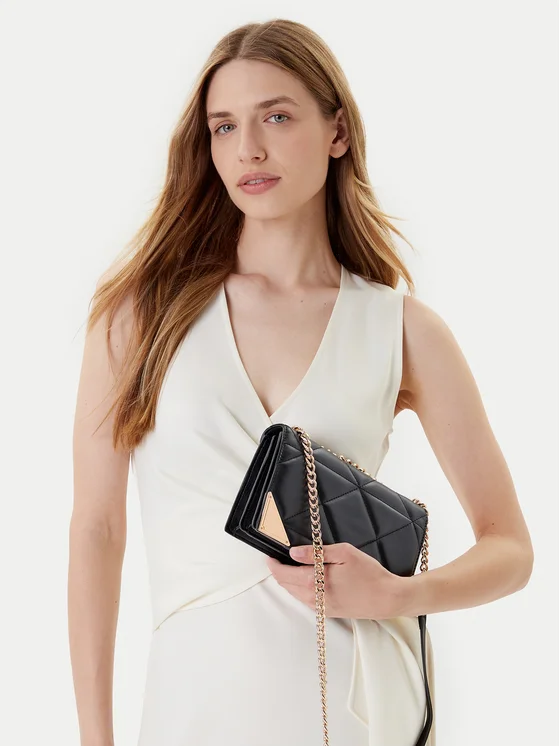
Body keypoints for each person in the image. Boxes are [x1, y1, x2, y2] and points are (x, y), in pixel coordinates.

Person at [68, 18, 534, 746]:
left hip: (356, 708)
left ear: (337, 131)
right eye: (224, 127)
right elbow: (97, 529)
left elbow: (510, 548)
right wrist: (94, 738)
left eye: (277, 117)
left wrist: (399, 594)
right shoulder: (140, 316)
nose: (248, 149)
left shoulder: (401, 329)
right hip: (195, 706)